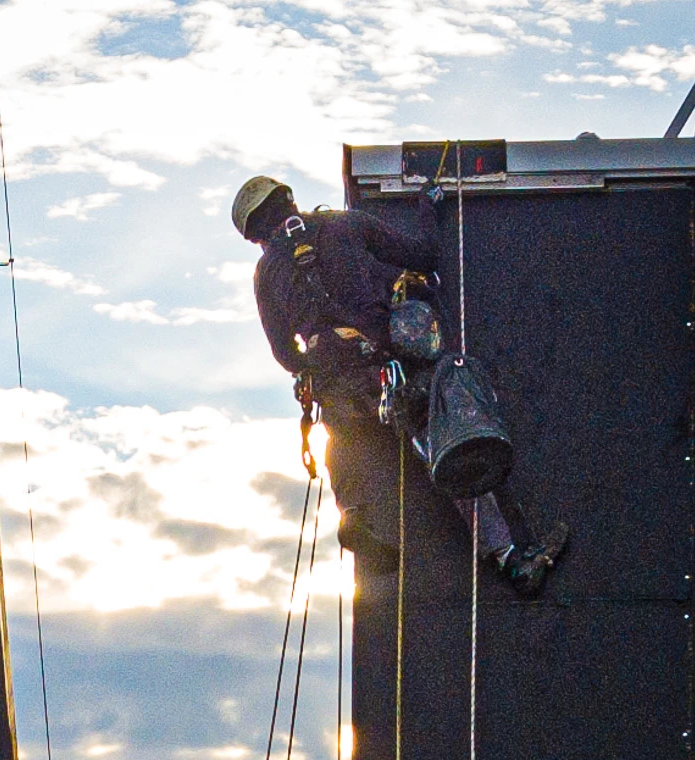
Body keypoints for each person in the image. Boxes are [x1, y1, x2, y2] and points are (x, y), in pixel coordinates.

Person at [233, 174, 568, 596]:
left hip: (338, 384)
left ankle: (352, 511)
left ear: (256, 233)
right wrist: (429, 206)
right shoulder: (346, 224)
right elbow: (423, 255)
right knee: (444, 448)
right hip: (389, 368)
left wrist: (320, 362)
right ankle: (510, 556)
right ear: (289, 200)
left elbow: (284, 354)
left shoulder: (267, 273)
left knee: (342, 441)